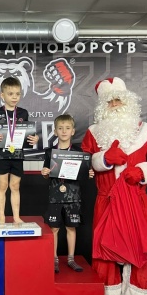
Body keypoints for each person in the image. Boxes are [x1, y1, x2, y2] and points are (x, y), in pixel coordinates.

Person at [81, 77, 147, 295]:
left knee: (138, 248)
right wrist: (103, 159)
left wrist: (142, 171)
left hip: (136, 199)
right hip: (106, 199)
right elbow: (85, 161)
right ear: (103, 106)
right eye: (109, 102)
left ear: (128, 102)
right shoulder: (94, 133)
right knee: (104, 249)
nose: (115, 105)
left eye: (118, 100)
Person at [41, 114, 94, 273]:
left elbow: (84, 173)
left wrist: (89, 173)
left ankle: (71, 259)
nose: (64, 131)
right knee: (54, 229)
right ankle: (54, 259)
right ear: (55, 131)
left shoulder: (79, 151)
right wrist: (44, 173)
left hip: (73, 196)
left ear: (73, 131)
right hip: (55, 196)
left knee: (71, 227)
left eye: (67, 128)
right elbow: (46, 174)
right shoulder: (50, 152)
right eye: (60, 128)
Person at [0, 77, 39, 224]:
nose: (14, 97)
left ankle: (16, 217)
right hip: (2, 154)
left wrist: (36, 138)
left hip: (18, 155)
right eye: (10, 94)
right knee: (2, 185)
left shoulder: (23, 113)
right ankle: (1, 217)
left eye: (17, 94)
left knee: (15, 186)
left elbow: (30, 133)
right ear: (2, 95)